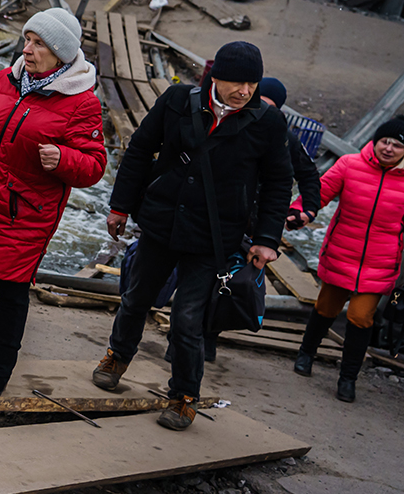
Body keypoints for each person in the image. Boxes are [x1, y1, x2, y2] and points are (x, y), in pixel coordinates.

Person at [92, 41, 293, 430]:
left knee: (188, 319)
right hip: (162, 221)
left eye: (252, 83)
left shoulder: (266, 122)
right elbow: (139, 150)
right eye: (238, 82)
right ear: (215, 76)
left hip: (215, 237)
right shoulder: (178, 100)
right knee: (135, 298)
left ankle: (184, 395)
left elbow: (278, 184)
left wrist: (266, 240)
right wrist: (120, 205)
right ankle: (117, 356)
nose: (246, 91)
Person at [0, 8, 105, 394]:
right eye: (26, 40)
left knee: (11, 293)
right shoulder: (7, 79)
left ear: (60, 53)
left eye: (38, 43)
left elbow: (94, 166)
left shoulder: (82, 102)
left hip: (24, 215)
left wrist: (64, 159)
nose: (27, 49)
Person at [292, 116, 404, 402]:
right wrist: (299, 211)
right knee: (326, 308)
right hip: (341, 252)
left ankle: (348, 378)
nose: (388, 148)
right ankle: (306, 354)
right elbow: (319, 193)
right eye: (384, 141)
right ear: (375, 141)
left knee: (359, 317)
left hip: (379, 264)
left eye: (396, 145)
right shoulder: (349, 165)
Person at [257, 77, 322, 230]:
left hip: (261, 217)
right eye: (259, 104)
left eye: (269, 107)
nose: (261, 111)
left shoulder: (285, 139)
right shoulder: (230, 125)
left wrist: (309, 209)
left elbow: (309, 175)